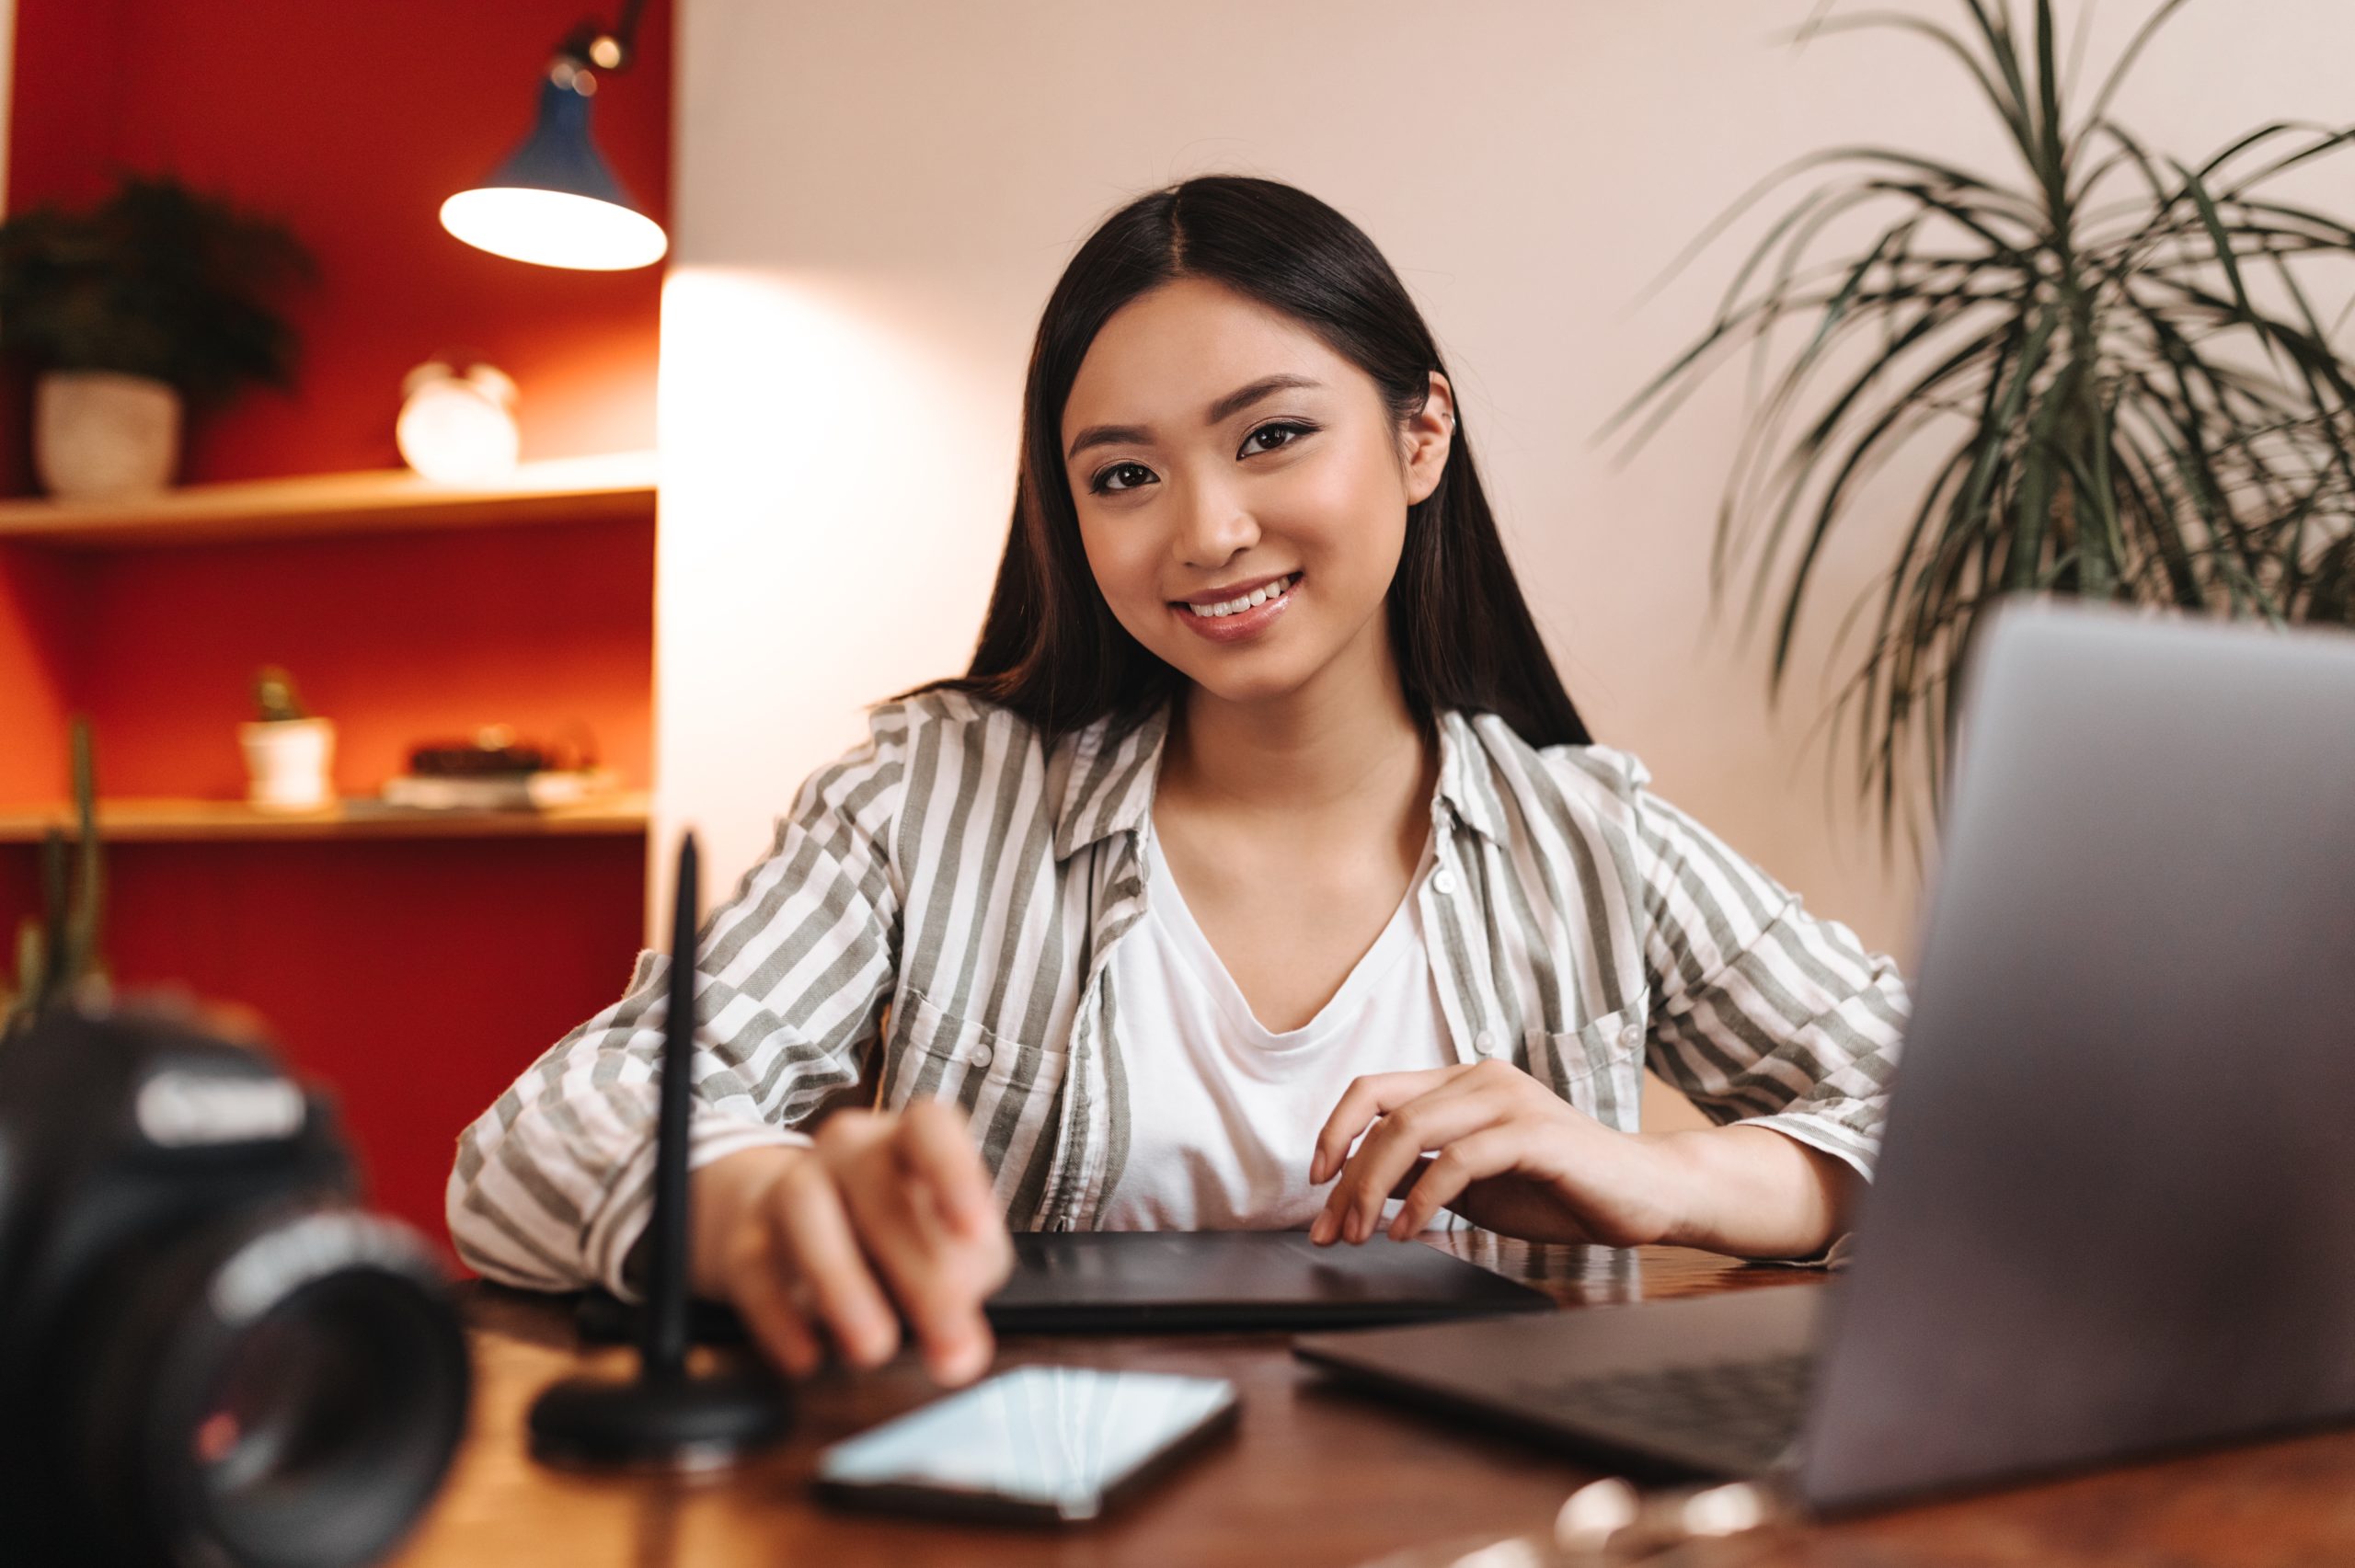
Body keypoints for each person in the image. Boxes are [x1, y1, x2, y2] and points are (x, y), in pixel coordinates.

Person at [448, 176, 1907, 1391]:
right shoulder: (930, 800)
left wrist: (1663, 1178)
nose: (1206, 531)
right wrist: (758, 1202)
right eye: (1122, 476)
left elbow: (1973, 1116)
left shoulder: (1591, 835)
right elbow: (544, 1134)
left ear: (1421, 435)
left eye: (1272, 436)